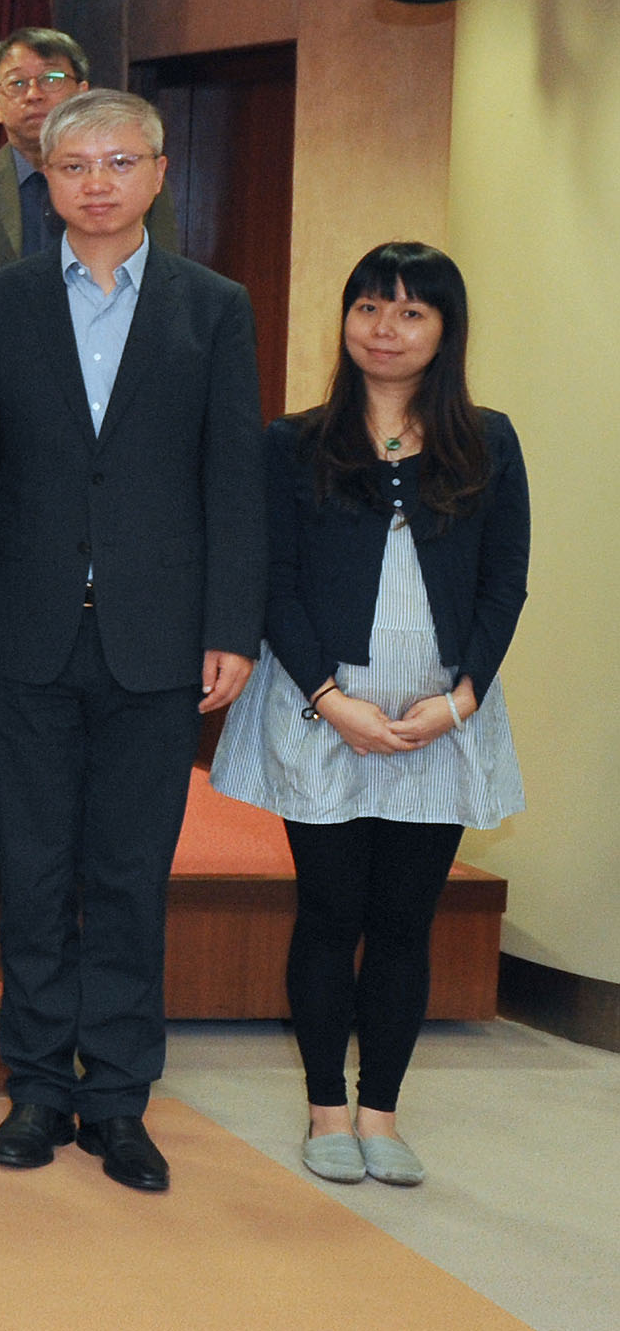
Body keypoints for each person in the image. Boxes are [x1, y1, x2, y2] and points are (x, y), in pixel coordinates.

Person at [0, 88, 264, 1193]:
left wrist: (230, 624)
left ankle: (121, 1099)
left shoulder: (212, 306)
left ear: (157, 173)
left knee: (130, 875)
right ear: (43, 178)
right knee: (35, 871)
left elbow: (232, 475)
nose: (97, 182)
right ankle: (39, 1086)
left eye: (118, 162)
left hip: (158, 637)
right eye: (74, 164)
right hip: (23, 630)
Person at [212, 242, 528, 1190]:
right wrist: (328, 699)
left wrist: (460, 701)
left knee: (402, 920)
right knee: (328, 911)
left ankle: (380, 1113)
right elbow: (272, 581)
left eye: (409, 312)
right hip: (323, 708)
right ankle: (323, 1108)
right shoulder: (293, 441)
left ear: (444, 331)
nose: (383, 329)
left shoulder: (488, 441)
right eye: (367, 308)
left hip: (441, 714)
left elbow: (504, 581)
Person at [0, 28, 170, 327]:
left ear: (82, 94)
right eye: (17, 83)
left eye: (51, 78)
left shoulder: (135, 181)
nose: (34, 94)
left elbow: (164, 285)